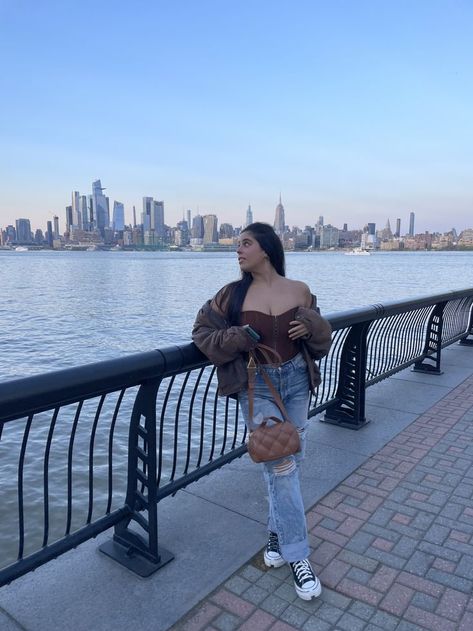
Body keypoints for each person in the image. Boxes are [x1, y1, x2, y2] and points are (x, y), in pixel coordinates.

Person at [192, 222, 332, 601]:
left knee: (290, 460)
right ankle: (298, 556)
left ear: (266, 249)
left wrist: (311, 328)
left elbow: (322, 341)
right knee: (282, 464)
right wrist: (237, 337)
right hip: (257, 386)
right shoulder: (230, 296)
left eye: (246, 243)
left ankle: (277, 534)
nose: (238, 250)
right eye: (238, 244)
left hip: (299, 380)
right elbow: (202, 334)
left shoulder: (299, 290)